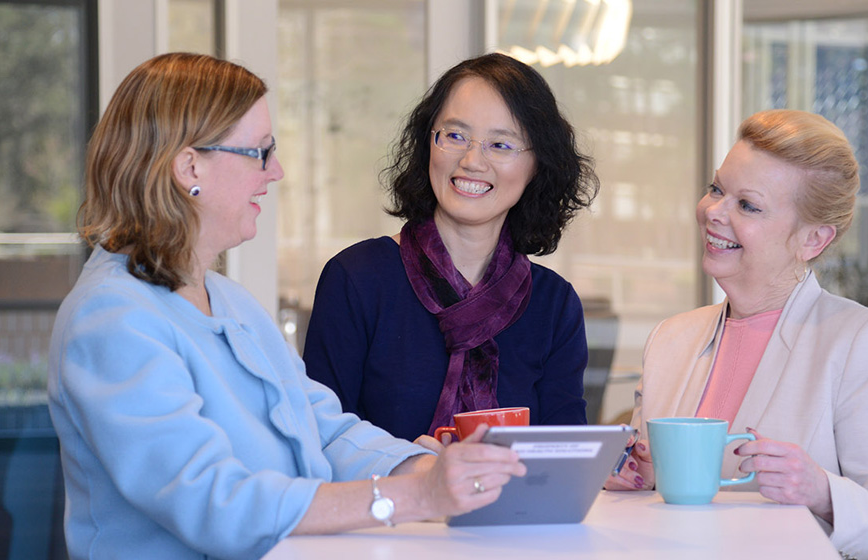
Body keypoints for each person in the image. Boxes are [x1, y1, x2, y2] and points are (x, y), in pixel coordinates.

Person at [47, 53, 526, 560]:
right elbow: (217, 506)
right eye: (259, 151)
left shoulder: (228, 300)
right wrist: (413, 496)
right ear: (190, 166)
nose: (275, 172)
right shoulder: (111, 321)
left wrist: (428, 469)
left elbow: (323, 428)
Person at [606, 110, 868, 560]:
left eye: (748, 205)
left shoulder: (865, 342)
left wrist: (822, 493)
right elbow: (658, 491)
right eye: (717, 189)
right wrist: (634, 476)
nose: (713, 212)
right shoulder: (670, 339)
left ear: (813, 240)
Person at [302, 53, 600, 443]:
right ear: (428, 144)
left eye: (501, 144)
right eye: (455, 136)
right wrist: (408, 472)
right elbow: (319, 440)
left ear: (537, 167)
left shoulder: (554, 304)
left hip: (517, 506)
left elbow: (566, 454)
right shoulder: (357, 278)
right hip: (387, 504)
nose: (472, 161)